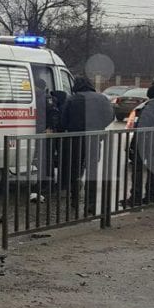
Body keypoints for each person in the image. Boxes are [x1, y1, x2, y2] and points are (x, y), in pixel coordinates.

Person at [63, 76, 114, 215]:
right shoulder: (102, 98)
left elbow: (63, 119)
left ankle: (74, 198)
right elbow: (110, 116)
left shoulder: (72, 99)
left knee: (75, 170)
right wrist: (98, 127)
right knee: (92, 170)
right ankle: (90, 203)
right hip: (94, 138)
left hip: (75, 139)